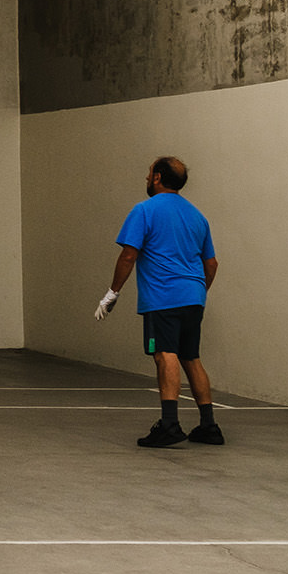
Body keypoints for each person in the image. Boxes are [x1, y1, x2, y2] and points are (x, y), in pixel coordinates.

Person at [95, 155, 223, 448]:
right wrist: (199, 292)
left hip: (163, 299)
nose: (146, 178)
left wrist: (112, 293)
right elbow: (212, 263)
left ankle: (169, 425)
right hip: (194, 298)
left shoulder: (144, 210)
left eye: (148, 173)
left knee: (165, 354)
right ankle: (209, 427)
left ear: (157, 177)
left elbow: (129, 255)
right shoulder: (197, 216)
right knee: (191, 356)